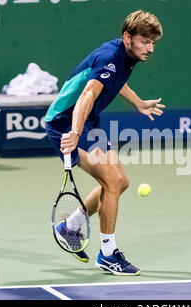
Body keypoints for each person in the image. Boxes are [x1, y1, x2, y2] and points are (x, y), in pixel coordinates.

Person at [45, 10, 165, 276]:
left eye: (153, 42)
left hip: (88, 121)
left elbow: (115, 82)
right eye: (145, 41)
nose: (150, 48)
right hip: (66, 122)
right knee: (112, 181)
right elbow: (88, 95)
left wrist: (138, 102)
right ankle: (108, 254)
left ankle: (70, 227)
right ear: (127, 37)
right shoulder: (110, 57)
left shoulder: (125, 56)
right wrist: (75, 131)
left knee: (119, 182)